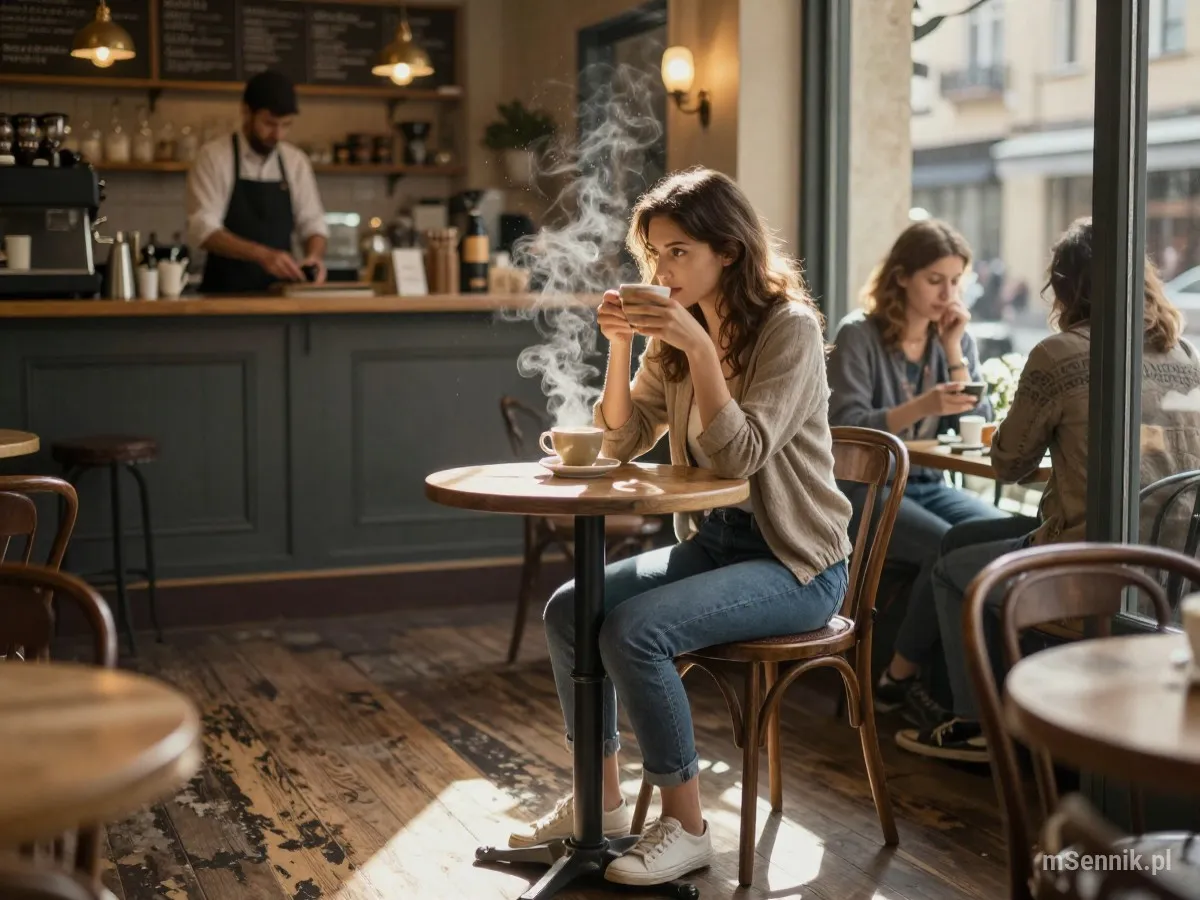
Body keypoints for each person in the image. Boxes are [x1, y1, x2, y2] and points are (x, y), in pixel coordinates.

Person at [508, 168, 853, 886]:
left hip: (796, 563)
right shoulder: (678, 327)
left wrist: (699, 350)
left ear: (728, 251)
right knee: (573, 609)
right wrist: (621, 345)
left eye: (677, 252)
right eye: (654, 254)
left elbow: (742, 453)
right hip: (718, 545)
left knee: (635, 631)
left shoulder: (787, 329)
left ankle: (688, 827)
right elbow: (622, 440)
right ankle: (597, 807)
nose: (661, 270)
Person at [897, 216, 1200, 762]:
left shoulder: (1059, 353)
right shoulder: (1185, 357)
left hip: (1090, 561)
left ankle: (976, 725)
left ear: (1064, 288)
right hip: (1176, 571)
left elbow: (1009, 463)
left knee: (951, 573)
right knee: (964, 536)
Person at [826, 219, 1008, 729]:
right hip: (861, 491)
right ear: (902, 277)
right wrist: (922, 404)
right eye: (935, 280)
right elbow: (848, 430)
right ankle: (899, 680)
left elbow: (979, 423)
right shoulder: (857, 335)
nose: (947, 294)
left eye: (956, 281)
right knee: (946, 547)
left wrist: (953, 351)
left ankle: (961, 685)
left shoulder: (952, 336)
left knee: (996, 535)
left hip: (927, 483)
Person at [186, 69, 328, 294]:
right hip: (223, 297)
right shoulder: (214, 157)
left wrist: (314, 256)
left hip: (282, 296)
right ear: (246, 112)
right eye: (269, 123)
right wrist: (261, 255)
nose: (278, 135)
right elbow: (202, 229)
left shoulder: (295, 161)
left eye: (286, 125)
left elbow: (313, 223)